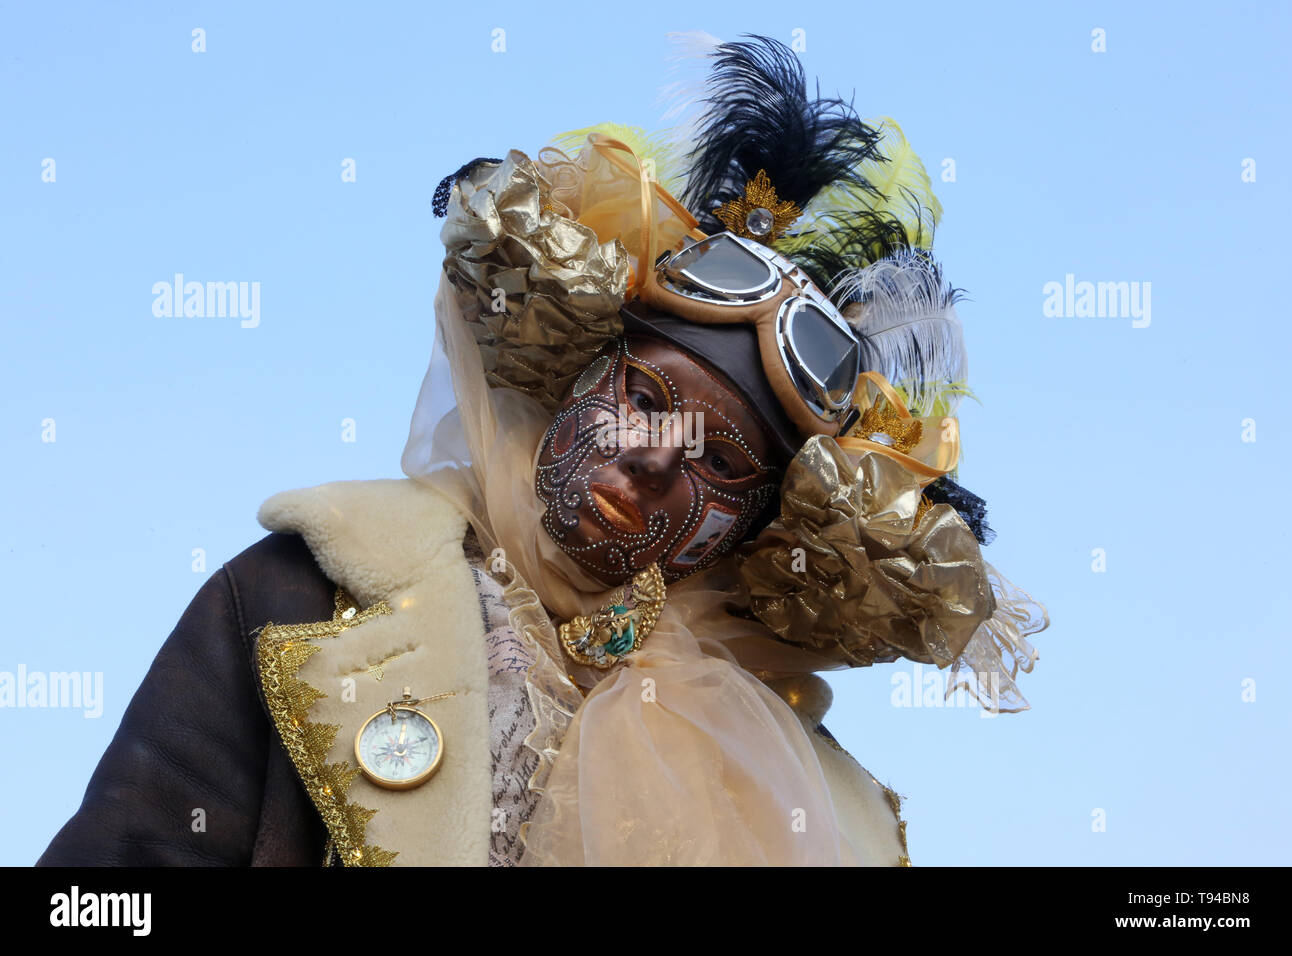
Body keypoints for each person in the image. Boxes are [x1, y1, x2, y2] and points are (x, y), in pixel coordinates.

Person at [37, 33, 1046, 868]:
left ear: (760, 526)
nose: (653, 460)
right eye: (643, 397)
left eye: (720, 464)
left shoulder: (816, 798)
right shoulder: (298, 600)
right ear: (571, 373)